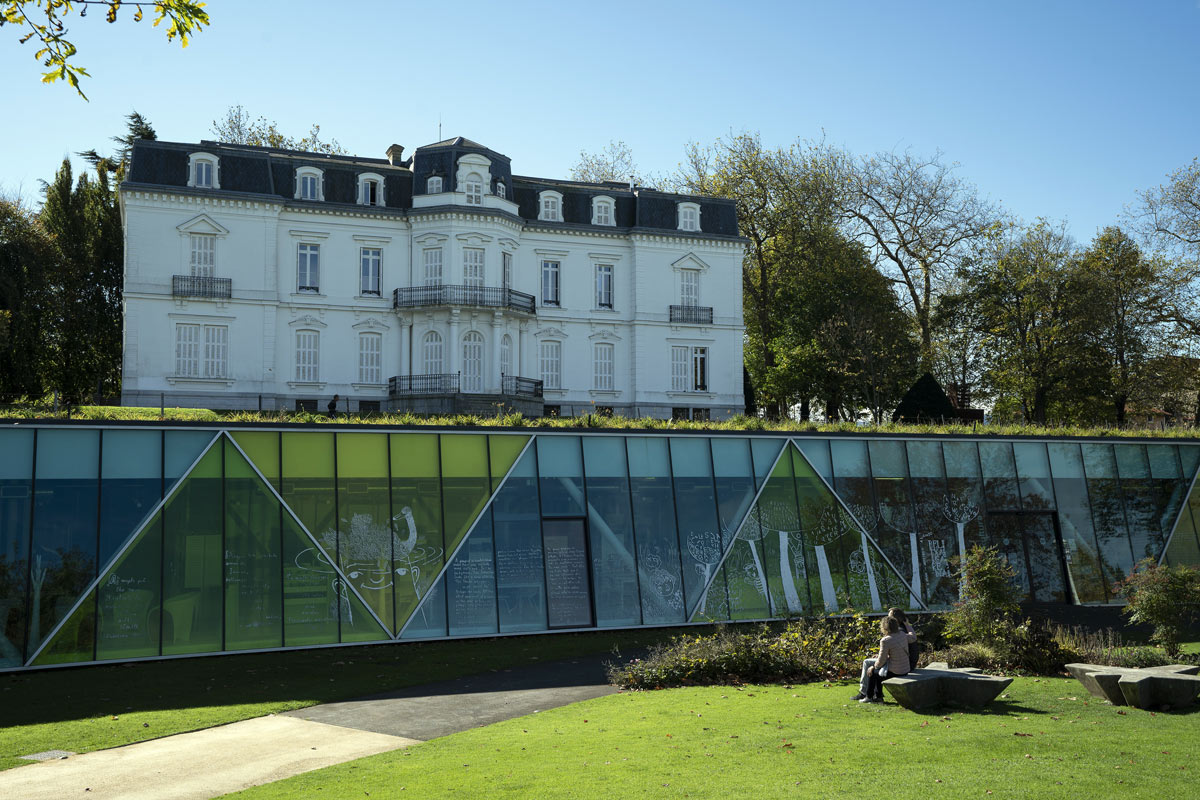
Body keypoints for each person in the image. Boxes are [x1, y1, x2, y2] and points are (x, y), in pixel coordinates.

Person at [854, 615, 914, 703]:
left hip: (896, 671)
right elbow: (913, 637)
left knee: (873, 673)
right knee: (879, 673)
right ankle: (878, 697)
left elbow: (881, 660)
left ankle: (869, 696)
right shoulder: (902, 634)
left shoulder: (885, 640)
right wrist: (908, 625)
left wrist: (873, 667)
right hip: (905, 669)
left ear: (884, 627)